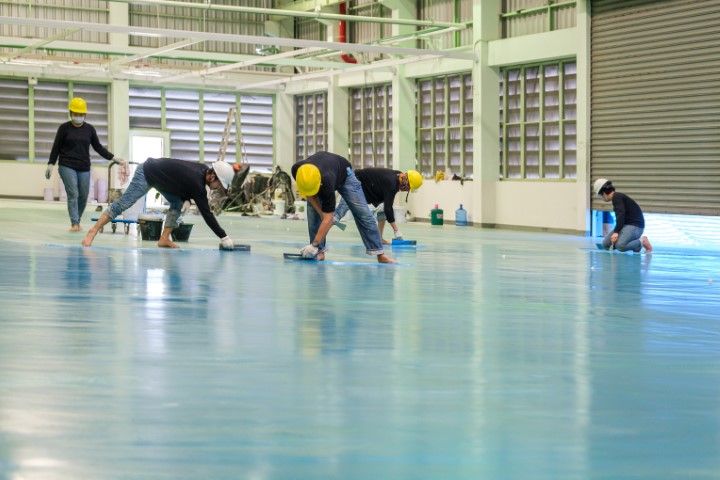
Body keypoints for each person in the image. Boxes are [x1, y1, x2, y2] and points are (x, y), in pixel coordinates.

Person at [82, 158, 236, 249]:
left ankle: (164, 239)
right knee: (125, 202)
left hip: (161, 178)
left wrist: (186, 198)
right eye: (220, 186)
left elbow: (180, 181)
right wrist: (224, 237)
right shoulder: (198, 184)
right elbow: (207, 215)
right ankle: (93, 231)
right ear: (212, 177)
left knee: (177, 203)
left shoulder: (203, 169)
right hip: (147, 172)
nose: (218, 189)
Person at [291, 151, 394, 263]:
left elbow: (328, 218)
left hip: (345, 175)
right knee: (313, 211)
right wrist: (320, 213)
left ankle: (380, 254)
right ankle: (319, 252)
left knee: (363, 213)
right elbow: (309, 195)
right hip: (326, 170)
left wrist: (314, 243)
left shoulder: (327, 182)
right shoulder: (297, 170)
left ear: (319, 183)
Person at [46, 97, 121, 232]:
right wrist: (51, 164)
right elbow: (56, 147)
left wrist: (114, 158)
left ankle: (77, 220)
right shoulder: (64, 128)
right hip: (66, 165)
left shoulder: (90, 129)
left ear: (85, 115)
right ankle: (75, 223)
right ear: (70, 113)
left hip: (84, 167)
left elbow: (98, 147)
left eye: (81, 114)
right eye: (76, 114)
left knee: (84, 195)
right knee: (73, 193)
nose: (78, 116)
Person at [332, 168, 423, 244]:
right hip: (354, 183)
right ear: (406, 181)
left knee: (382, 210)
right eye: (409, 187)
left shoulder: (397, 176)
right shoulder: (392, 182)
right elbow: (388, 208)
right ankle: (320, 237)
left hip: (363, 186)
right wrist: (396, 231)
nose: (407, 190)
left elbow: (387, 202)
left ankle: (379, 238)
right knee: (338, 214)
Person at [593, 178, 652, 253]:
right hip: (626, 225)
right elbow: (621, 217)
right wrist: (616, 231)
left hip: (636, 226)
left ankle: (641, 241)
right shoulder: (617, 197)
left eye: (600, 195)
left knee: (620, 246)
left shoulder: (617, 197)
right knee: (606, 244)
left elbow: (620, 214)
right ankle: (635, 246)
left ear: (604, 193)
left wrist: (616, 232)